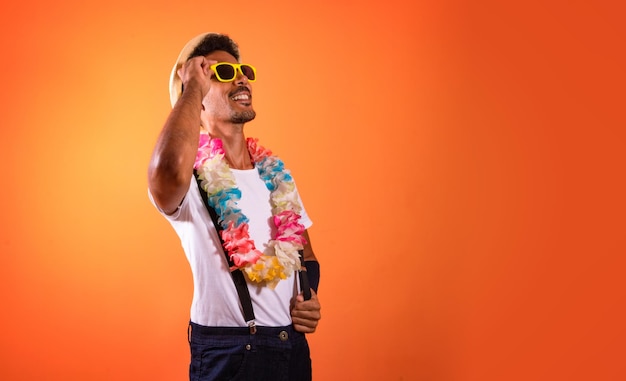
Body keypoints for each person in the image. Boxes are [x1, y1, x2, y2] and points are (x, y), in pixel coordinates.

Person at [147, 32, 321, 381]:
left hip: (292, 350)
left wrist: (309, 297)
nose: (241, 77)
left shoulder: (276, 175)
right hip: (231, 353)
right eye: (223, 73)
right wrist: (191, 86)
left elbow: (307, 255)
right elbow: (164, 169)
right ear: (195, 94)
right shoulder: (189, 177)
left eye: (243, 70)